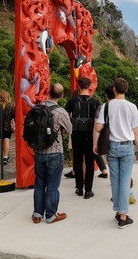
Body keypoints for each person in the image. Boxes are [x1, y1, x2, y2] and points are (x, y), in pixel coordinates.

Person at [93, 77, 138, 228]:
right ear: (126, 90)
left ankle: (118, 211)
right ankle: (123, 215)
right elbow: (136, 132)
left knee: (115, 180)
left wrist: (96, 142)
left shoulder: (107, 106)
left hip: (112, 147)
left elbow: (98, 128)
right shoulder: (132, 106)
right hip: (127, 147)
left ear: (114, 89)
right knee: (125, 179)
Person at [32, 83, 72, 224]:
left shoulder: (38, 108)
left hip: (38, 151)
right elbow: (69, 130)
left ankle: (37, 214)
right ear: (61, 95)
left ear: (48, 92)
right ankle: (51, 215)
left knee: (39, 183)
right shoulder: (61, 112)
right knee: (53, 186)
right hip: (55, 152)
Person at [65, 77, 100, 199]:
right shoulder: (96, 102)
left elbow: (66, 116)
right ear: (90, 87)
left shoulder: (72, 101)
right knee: (90, 162)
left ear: (79, 86)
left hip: (76, 134)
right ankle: (88, 190)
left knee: (78, 161)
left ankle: (79, 188)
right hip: (90, 135)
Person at [0, 90, 15, 165]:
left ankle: (5, 155)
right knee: (6, 139)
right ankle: (6, 156)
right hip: (8, 125)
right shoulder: (11, 105)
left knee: (2, 140)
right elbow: (15, 116)